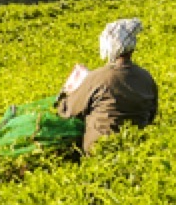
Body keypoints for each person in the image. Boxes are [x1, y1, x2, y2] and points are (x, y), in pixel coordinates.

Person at [55, 18, 159, 155]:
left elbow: (68, 110)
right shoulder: (146, 77)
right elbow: (152, 114)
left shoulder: (98, 77)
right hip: (136, 146)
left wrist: (65, 95)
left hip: (100, 149)